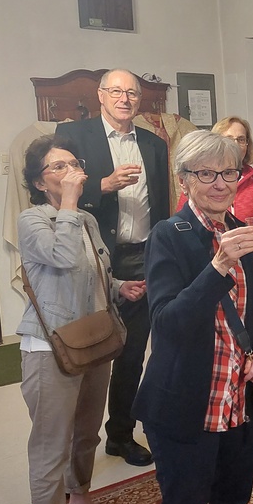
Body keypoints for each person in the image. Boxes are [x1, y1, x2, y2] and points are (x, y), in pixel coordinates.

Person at [133, 131, 253, 504]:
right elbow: (168, 325)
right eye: (206, 173)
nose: (220, 183)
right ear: (184, 180)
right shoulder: (167, 235)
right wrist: (219, 265)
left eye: (229, 172)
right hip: (185, 404)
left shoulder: (243, 231)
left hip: (238, 402)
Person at [16, 134, 146, 504]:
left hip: (92, 337)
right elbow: (63, 257)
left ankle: (80, 500)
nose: (71, 171)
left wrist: (119, 286)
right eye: (58, 166)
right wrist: (70, 204)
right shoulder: (32, 220)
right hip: (50, 345)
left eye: (74, 164)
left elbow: (93, 271)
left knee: (87, 431)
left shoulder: (86, 220)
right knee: (51, 441)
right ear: (40, 182)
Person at [56, 69, 170, 467]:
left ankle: (120, 435)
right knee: (86, 351)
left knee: (132, 353)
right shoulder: (73, 136)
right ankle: (73, 449)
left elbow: (162, 204)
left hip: (142, 257)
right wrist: (102, 185)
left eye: (132, 93)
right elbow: (55, 190)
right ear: (101, 95)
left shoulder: (154, 144)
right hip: (92, 256)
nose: (125, 99)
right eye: (116, 91)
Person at [176, 116, 253, 285]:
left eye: (241, 139)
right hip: (207, 267)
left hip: (248, 266)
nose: (235, 144)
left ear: (247, 145)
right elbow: (183, 224)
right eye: (229, 138)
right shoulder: (199, 182)